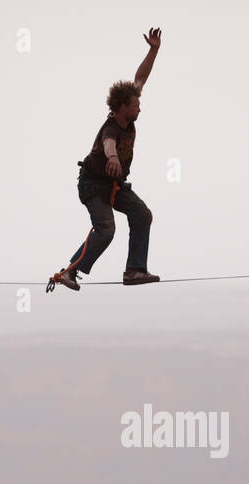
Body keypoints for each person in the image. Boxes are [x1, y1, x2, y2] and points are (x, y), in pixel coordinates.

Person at [48, 27, 162, 291]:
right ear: (123, 108)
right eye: (135, 106)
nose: (139, 108)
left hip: (113, 186)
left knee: (142, 214)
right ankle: (70, 273)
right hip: (92, 186)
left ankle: (134, 270)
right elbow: (108, 144)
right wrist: (112, 158)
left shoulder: (129, 104)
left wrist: (153, 50)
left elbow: (140, 77)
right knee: (106, 229)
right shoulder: (111, 128)